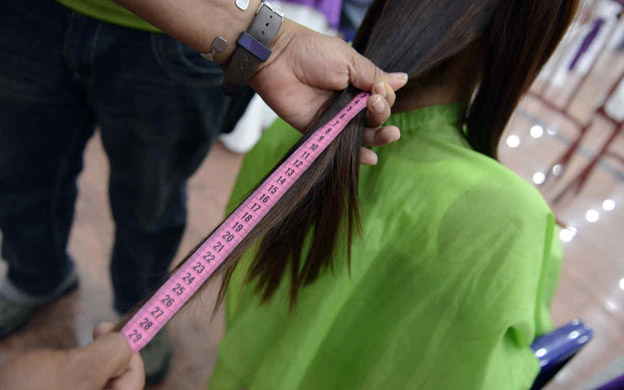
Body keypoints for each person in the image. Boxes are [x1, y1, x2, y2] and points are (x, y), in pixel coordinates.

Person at [0, 0, 402, 384]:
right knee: (22, 170)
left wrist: (273, 44)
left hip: (186, 40)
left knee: (151, 199)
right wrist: (274, 43)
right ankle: (34, 276)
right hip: (30, 14)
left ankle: (138, 314)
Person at [201, 0, 579, 389]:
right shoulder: (511, 220)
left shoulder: (297, 127)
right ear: (523, 40)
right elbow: (485, 375)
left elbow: (243, 279)